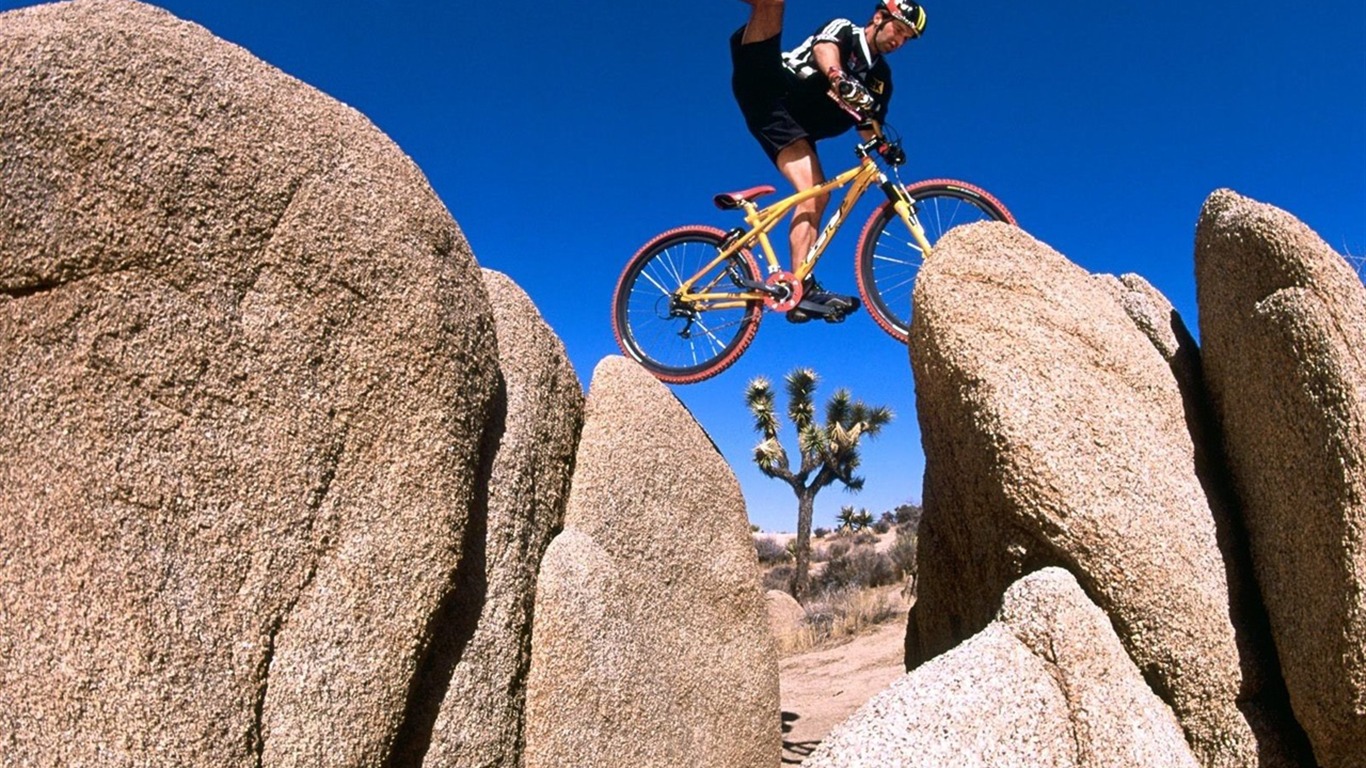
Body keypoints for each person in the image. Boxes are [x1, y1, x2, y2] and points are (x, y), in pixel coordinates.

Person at [730, 0, 926, 322]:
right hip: (770, 84)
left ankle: (798, 289)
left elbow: (868, 124)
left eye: (906, 38)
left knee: (816, 193)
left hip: (785, 126)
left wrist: (884, 148)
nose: (899, 41)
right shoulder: (845, 30)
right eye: (898, 29)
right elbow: (825, 49)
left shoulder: (880, 80)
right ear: (879, 18)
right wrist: (837, 76)